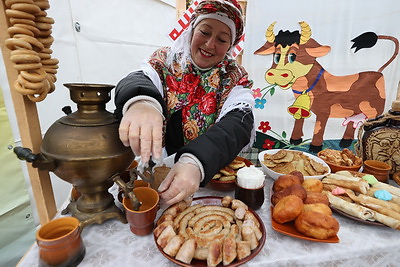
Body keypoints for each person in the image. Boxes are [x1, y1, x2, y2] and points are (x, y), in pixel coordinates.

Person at [114, 0, 255, 206]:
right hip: (155, 173)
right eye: (205, 32)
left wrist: (195, 161)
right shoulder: (166, 60)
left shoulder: (234, 77)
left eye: (222, 39)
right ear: (191, 30)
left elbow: (238, 123)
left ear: (230, 46)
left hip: (206, 179)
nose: (209, 44)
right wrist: (142, 102)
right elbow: (137, 79)